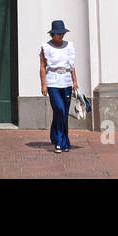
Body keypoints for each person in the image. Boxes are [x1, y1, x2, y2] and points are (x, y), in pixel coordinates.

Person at [39, 19, 78, 153]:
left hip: (66, 81)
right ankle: (59, 140)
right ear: (52, 34)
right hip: (53, 82)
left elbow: (72, 66)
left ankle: (63, 140)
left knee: (64, 113)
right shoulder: (46, 47)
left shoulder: (69, 46)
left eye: (62, 33)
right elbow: (43, 67)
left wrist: (75, 82)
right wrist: (43, 84)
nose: (60, 35)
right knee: (59, 109)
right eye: (57, 33)